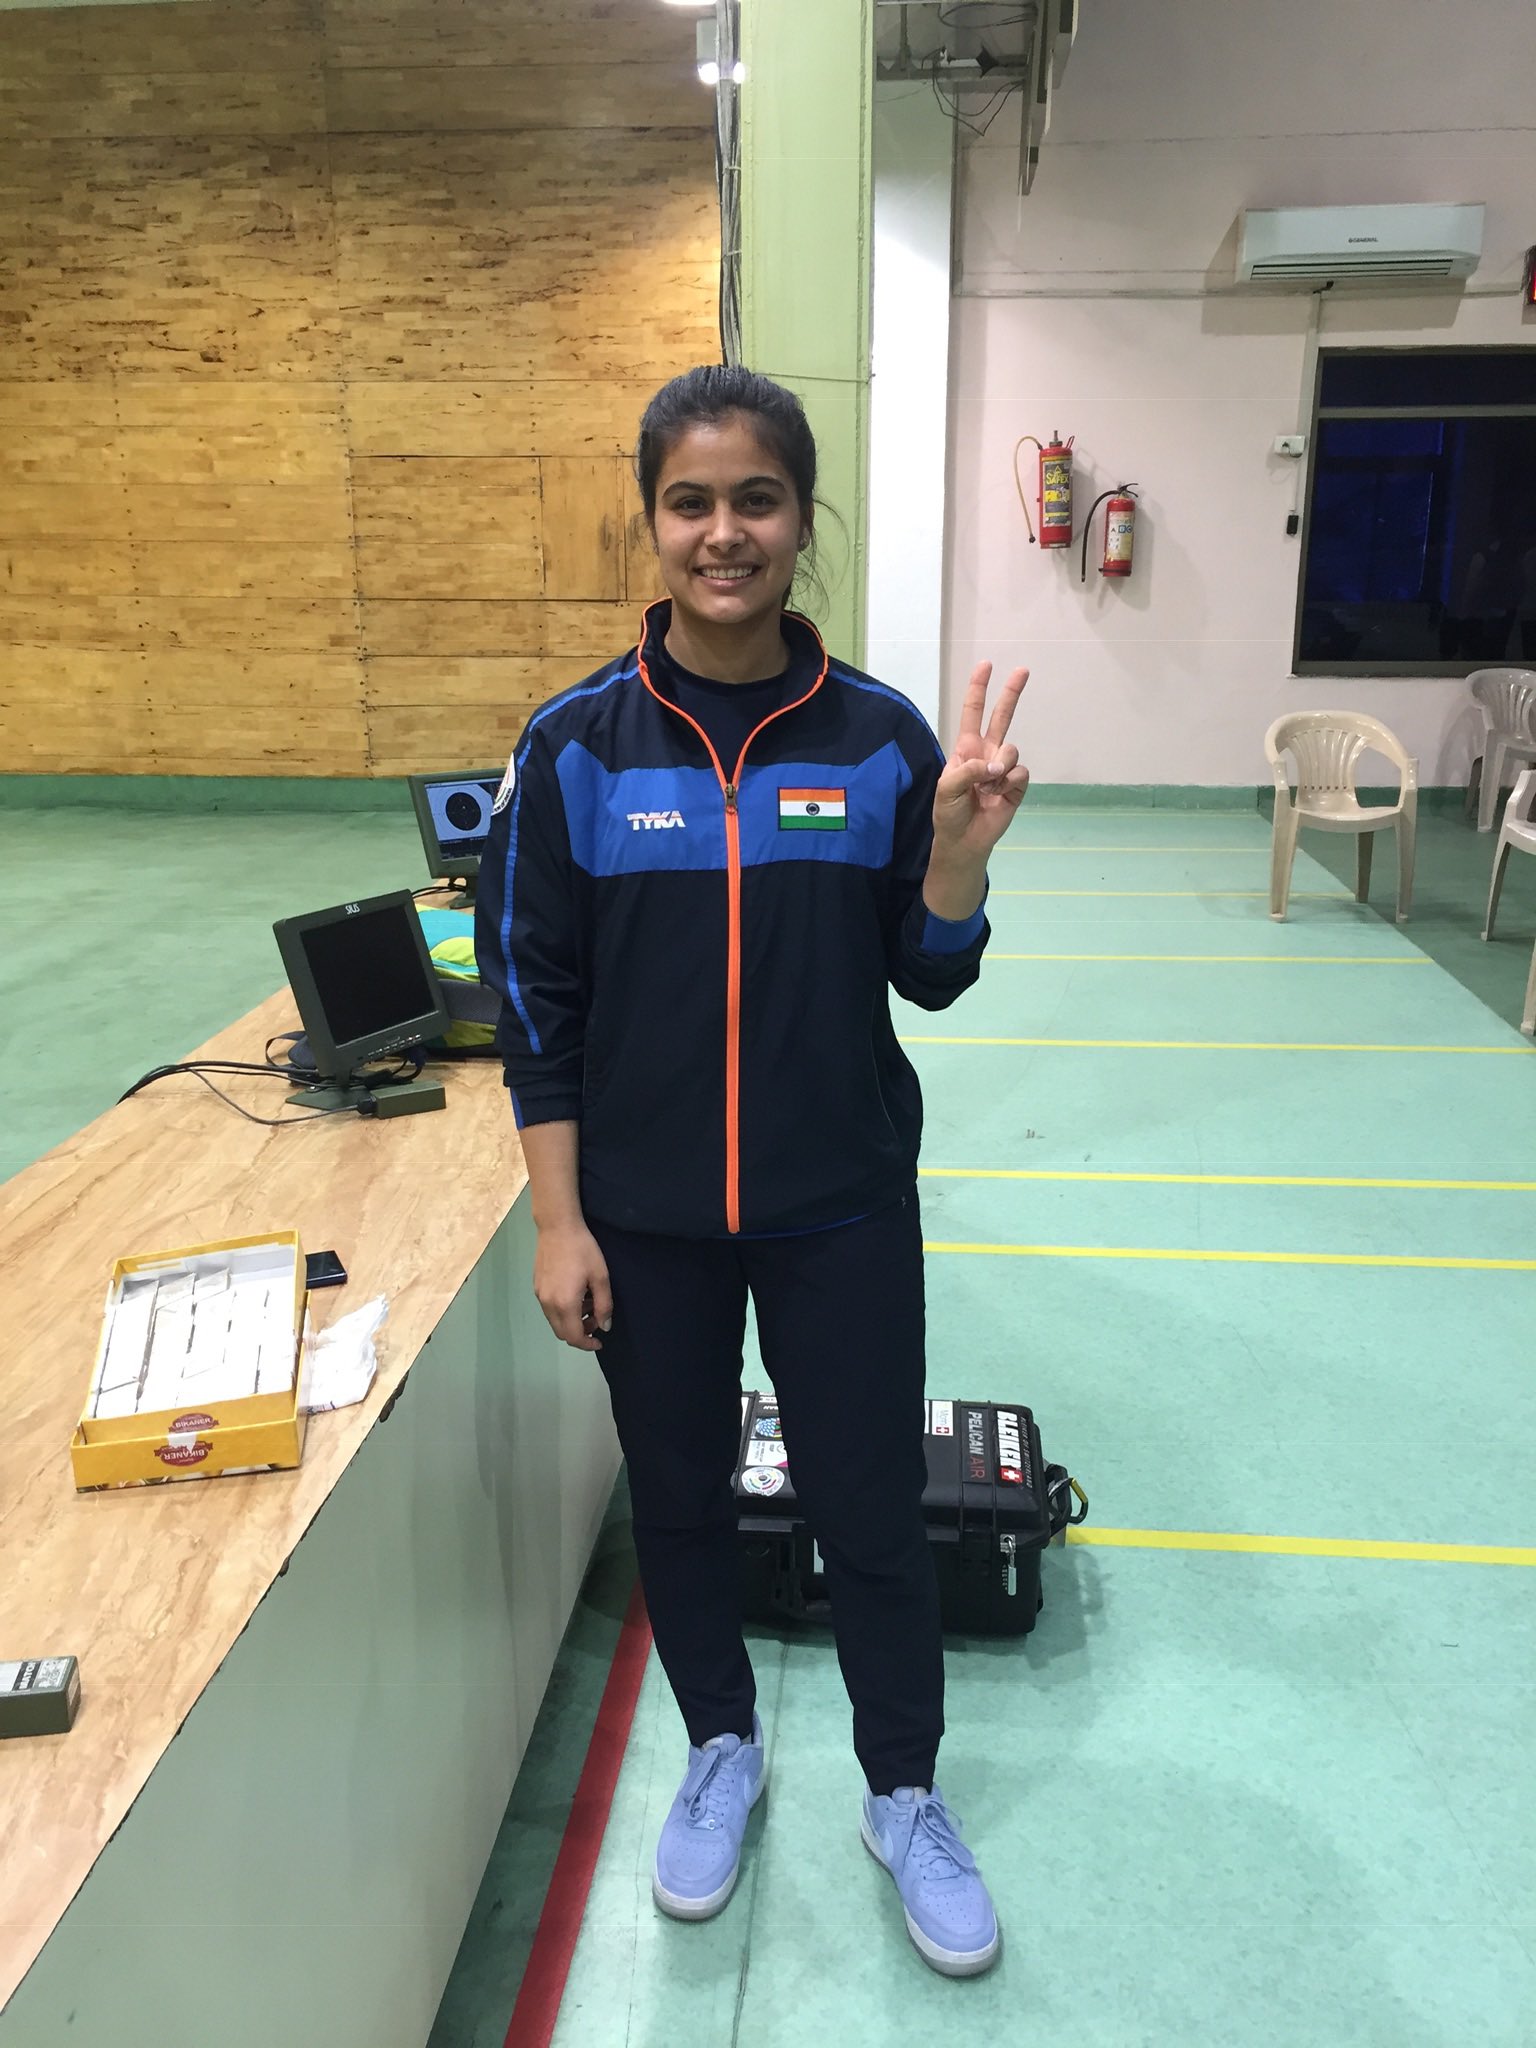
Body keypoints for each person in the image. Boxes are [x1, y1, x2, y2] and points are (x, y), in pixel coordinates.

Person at [475, 365, 1029, 1979]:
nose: (726, 534)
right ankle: (720, 1748)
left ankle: (903, 1791)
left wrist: (954, 864)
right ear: (653, 524)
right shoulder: (575, 747)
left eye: (758, 500)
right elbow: (537, 1001)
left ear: (802, 521)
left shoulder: (876, 741)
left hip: (839, 1201)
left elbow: (927, 977)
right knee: (684, 1499)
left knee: (867, 1504)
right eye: (692, 502)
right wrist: (560, 1222)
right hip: (645, 1223)